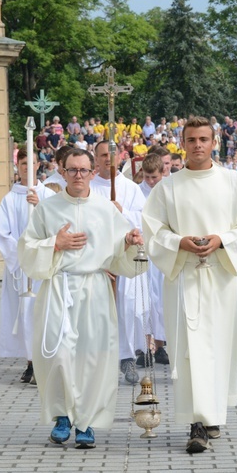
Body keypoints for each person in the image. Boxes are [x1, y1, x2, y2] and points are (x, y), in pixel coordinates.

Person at [142, 116, 237, 454]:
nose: (197, 145)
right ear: (183, 143)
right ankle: (197, 423)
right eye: (191, 139)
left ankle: (213, 415)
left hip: (220, 277)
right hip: (183, 278)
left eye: (203, 139)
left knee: (218, 346)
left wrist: (221, 239)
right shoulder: (169, 187)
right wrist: (179, 242)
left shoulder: (233, 182)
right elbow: (153, 229)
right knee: (188, 350)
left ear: (214, 143)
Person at [18, 148, 145, 448]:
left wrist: (128, 241)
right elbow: (26, 249)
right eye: (72, 170)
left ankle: (85, 422)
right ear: (61, 172)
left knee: (92, 357)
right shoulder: (48, 210)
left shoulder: (106, 209)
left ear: (92, 172)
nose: (78, 176)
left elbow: (121, 250)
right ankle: (63, 416)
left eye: (83, 170)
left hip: (94, 290)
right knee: (58, 354)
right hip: (58, 289)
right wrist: (55, 243)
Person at [90, 141, 148, 385]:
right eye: (103, 155)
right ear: (95, 158)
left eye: (112, 156)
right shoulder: (88, 188)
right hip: (97, 261)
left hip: (124, 257)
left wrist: (121, 211)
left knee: (125, 308)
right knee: (96, 312)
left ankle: (127, 357)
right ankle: (97, 361)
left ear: (121, 157)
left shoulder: (130, 189)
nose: (108, 160)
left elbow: (143, 219)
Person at [0, 149, 55, 384]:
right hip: (21, 269)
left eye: (30, 162)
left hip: (44, 266)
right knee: (25, 315)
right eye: (22, 163)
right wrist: (21, 256)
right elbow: (2, 234)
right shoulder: (9, 200)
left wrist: (40, 206)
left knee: (43, 315)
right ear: (17, 166)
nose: (26, 167)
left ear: (38, 164)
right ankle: (31, 363)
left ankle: (44, 361)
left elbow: (57, 224)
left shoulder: (48, 196)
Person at [136, 153, 170, 367]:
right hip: (142, 251)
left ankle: (160, 344)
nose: (150, 181)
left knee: (161, 300)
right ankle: (146, 345)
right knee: (144, 299)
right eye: (147, 177)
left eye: (154, 177)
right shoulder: (136, 192)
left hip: (163, 251)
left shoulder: (169, 190)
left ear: (163, 173)